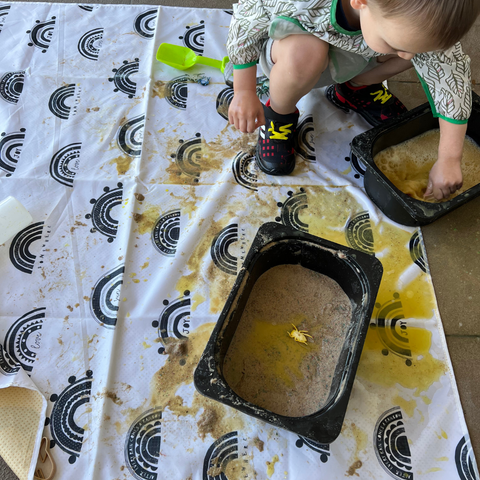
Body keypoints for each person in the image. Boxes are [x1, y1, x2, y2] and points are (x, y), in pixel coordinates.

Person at [226, 0, 480, 200]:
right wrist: (244, 90)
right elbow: (247, 20)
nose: (408, 55)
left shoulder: (408, 19)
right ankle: (279, 114)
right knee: (306, 53)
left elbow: (450, 76)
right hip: (294, 48)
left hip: (357, 49)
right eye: (394, 42)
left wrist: (449, 157)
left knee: (421, 54)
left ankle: (354, 88)